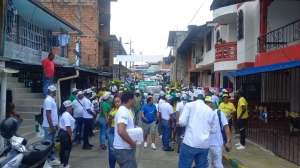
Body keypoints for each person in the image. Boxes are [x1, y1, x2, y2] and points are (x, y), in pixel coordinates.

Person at [178, 90, 217, 168]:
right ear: (203, 98)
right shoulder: (210, 111)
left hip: (190, 143)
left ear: (194, 97)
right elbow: (214, 130)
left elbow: (182, 122)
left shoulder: (189, 105)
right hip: (204, 145)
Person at [205, 96, 232, 168]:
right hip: (205, 144)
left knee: (218, 164)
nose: (206, 104)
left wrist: (228, 141)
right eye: (206, 102)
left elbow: (226, 127)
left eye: (208, 102)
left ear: (213, 103)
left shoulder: (219, 113)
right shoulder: (204, 113)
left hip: (216, 144)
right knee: (207, 165)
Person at [113, 91, 137, 168]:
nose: (135, 101)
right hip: (124, 150)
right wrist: (132, 143)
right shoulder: (123, 112)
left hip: (124, 149)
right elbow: (121, 131)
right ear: (130, 100)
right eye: (134, 99)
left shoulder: (125, 110)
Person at [42, 85, 60, 166]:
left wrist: (55, 125)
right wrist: (52, 127)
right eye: (55, 90)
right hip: (49, 126)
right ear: (53, 91)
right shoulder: (48, 100)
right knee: (48, 144)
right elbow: (48, 114)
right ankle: (44, 161)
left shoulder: (51, 100)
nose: (56, 91)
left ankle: (52, 158)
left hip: (52, 125)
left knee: (51, 143)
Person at [58, 100, 75, 168]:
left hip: (63, 132)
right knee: (67, 149)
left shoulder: (64, 114)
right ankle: (65, 164)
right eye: (71, 106)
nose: (72, 108)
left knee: (62, 149)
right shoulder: (67, 115)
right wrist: (71, 136)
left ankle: (62, 163)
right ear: (68, 107)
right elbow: (68, 127)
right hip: (66, 133)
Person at [107, 96, 122, 168]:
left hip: (121, 132)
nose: (117, 103)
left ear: (121, 101)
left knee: (121, 152)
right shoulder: (112, 111)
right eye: (115, 102)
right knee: (112, 152)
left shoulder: (126, 110)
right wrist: (110, 119)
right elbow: (109, 124)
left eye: (118, 101)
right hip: (112, 131)